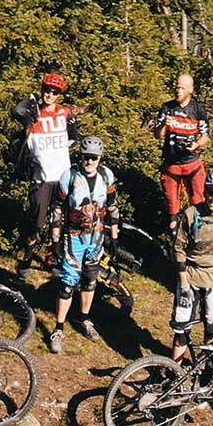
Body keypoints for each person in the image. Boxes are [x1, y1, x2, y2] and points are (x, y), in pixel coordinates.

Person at [47, 135, 120, 353]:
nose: (89, 162)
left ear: (100, 158)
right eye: (86, 158)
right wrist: (56, 239)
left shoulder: (107, 176)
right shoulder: (69, 176)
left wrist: (114, 238)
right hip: (74, 236)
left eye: (93, 158)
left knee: (90, 279)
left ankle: (85, 319)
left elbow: (114, 207)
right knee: (68, 282)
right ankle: (59, 328)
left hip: (96, 238)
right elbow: (57, 209)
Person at [12, 72, 81, 273]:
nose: (49, 94)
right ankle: (27, 253)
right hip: (40, 177)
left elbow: (74, 138)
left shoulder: (65, 113)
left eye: (54, 92)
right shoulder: (32, 113)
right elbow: (17, 112)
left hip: (62, 175)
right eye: (46, 90)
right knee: (37, 219)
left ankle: (53, 256)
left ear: (60, 94)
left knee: (59, 219)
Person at [171, 169, 213, 362]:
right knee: (181, 329)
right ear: (204, 191)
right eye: (210, 192)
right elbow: (178, 248)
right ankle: (175, 371)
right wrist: (183, 283)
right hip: (191, 276)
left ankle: (208, 369)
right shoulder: (191, 214)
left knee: (212, 326)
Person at [153, 73, 210, 236]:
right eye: (176, 87)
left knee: (198, 200)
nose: (178, 91)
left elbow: (206, 135)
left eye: (182, 88)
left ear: (191, 90)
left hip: (192, 163)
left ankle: (197, 231)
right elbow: (158, 135)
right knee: (172, 203)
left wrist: (196, 144)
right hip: (171, 164)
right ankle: (173, 236)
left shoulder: (198, 109)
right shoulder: (167, 107)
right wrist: (164, 123)